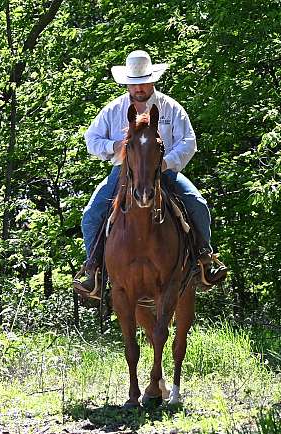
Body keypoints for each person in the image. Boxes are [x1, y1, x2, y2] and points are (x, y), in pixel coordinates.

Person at [73, 50, 226, 298]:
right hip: (124, 173)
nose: (139, 88)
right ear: (127, 84)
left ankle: (204, 259)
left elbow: (188, 141)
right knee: (92, 214)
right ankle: (94, 270)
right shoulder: (113, 110)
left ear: (152, 80)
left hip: (164, 171)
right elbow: (91, 140)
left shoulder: (170, 108)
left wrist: (167, 162)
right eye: (134, 83)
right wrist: (114, 147)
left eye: (143, 82)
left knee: (197, 204)